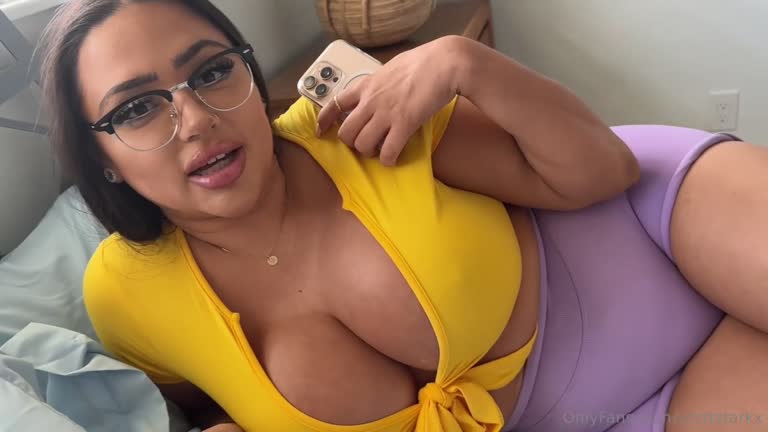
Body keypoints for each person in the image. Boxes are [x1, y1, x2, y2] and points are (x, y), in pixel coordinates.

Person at [39, 0, 768, 431]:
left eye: (211, 71)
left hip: (656, 229)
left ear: (248, 71)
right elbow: (193, 402)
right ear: (100, 157)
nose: (196, 118)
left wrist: (465, 62)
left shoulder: (353, 122)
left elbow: (606, 171)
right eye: (136, 109)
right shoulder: (125, 295)